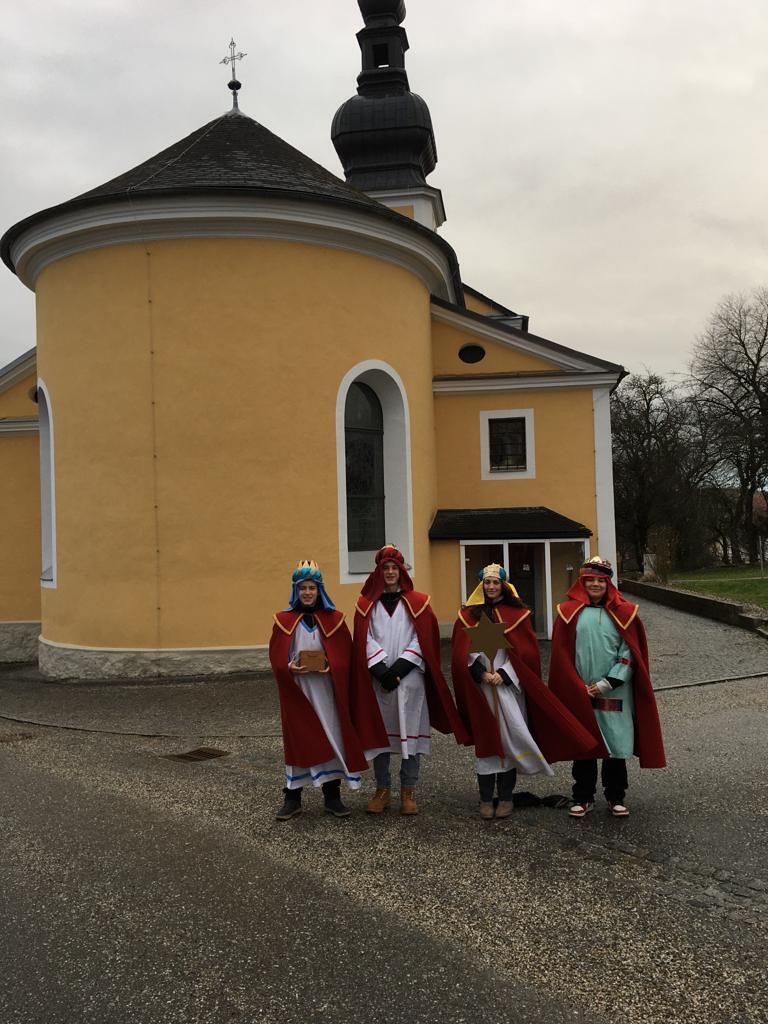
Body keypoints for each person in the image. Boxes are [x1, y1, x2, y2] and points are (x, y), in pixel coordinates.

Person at [451, 564, 601, 819]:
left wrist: (504, 674)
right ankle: (485, 798)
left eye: (495, 583)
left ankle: (506, 797)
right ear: (481, 586)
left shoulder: (518, 614)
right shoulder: (468, 615)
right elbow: (461, 653)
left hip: (508, 688)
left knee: (509, 740)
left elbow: (527, 654)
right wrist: (481, 673)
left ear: (504, 586)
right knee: (487, 739)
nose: (491, 587)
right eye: (487, 582)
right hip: (483, 690)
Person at [351, 544, 469, 815]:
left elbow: (423, 639)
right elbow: (364, 638)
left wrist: (400, 669)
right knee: (379, 735)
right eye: (386, 568)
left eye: (394, 568)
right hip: (379, 679)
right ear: (379, 572)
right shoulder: (366, 605)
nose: (390, 572)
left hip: (409, 678)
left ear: (401, 571)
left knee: (411, 734)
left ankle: (408, 791)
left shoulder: (419, 603)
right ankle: (382, 790)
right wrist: (381, 670)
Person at [548, 556, 666, 818]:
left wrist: (607, 683)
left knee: (615, 744)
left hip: (614, 690)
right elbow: (561, 655)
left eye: (600, 581)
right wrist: (575, 685)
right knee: (585, 745)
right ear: (582, 583)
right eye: (590, 580)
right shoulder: (568, 613)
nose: (595, 585)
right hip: (580, 690)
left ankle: (616, 796)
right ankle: (583, 796)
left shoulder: (624, 613)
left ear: (608, 584)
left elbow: (629, 652)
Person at [268, 560, 369, 821]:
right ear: (296, 590)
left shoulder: (334, 620)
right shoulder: (283, 621)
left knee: (332, 737)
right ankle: (292, 799)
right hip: (298, 693)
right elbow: (276, 658)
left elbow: (345, 657)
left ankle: (332, 797)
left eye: (312, 587)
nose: (307, 592)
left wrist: (332, 666)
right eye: (302, 588)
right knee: (298, 741)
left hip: (327, 693)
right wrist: (288, 667)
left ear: (319, 590)